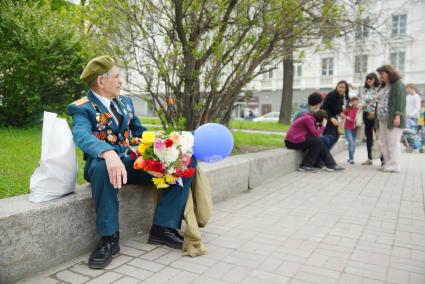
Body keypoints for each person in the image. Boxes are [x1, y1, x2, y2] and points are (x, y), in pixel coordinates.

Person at [67, 56, 196, 269]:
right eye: (117, 76)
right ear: (101, 81)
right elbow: (81, 134)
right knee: (102, 167)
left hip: (131, 162)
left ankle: (163, 228)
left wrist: (167, 146)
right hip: (103, 165)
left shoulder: (125, 102)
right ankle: (109, 239)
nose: (121, 81)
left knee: (185, 160)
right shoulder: (82, 107)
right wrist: (107, 153)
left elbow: (139, 132)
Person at [376, 64, 406, 172]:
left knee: (393, 142)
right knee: (383, 142)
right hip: (383, 118)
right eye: (379, 75)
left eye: (382, 74)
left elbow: (400, 101)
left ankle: (395, 165)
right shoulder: (385, 85)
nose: (380, 77)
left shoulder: (398, 84)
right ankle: (388, 163)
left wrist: (397, 116)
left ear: (389, 73)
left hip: (393, 119)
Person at [321, 80, 350, 149]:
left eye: (343, 88)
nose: (341, 89)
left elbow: (334, 108)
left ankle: (325, 153)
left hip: (332, 117)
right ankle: (323, 154)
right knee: (329, 137)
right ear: (337, 86)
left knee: (335, 136)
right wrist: (331, 118)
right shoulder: (332, 95)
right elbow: (324, 108)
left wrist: (341, 114)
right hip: (326, 118)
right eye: (340, 87)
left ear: (346, 89)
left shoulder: (341, 97)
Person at [360, 73, 380, 165]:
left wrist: (375, 113)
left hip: (375, 115)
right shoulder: (365, 89)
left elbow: (380, 103)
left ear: (375, 79)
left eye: (370, 79)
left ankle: (383, 159)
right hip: (366, 114)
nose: (368, 80)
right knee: (368, 137)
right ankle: (369, 158)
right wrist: (362, 106)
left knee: (378, 137)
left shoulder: (379, 89)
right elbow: (363, 101)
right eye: (367, 79)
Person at [342, 96, 360, 164]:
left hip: (355, 128)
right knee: (351, 143)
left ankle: (351, 158)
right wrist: (347, 117)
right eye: (353, 101)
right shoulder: (347, 109)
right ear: (351, 102)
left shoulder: (359, 109)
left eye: (356, 101)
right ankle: (351, 159)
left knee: (353, 143)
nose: (355, 102)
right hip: (347, 128)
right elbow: (342, 114)